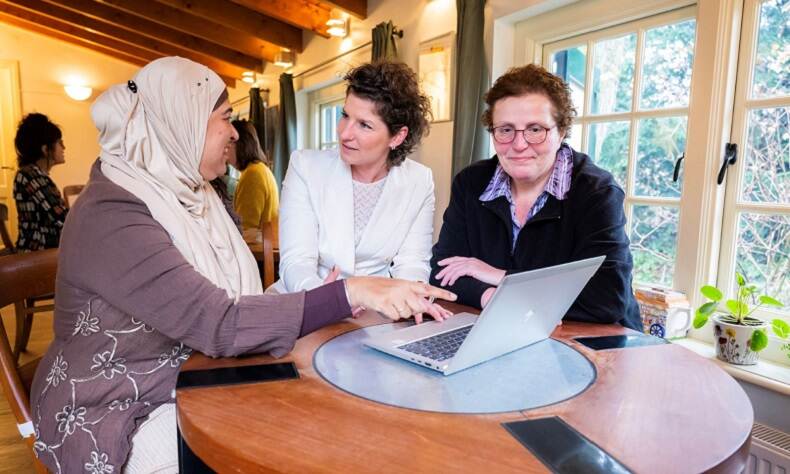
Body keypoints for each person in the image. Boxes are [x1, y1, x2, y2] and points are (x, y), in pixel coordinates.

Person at [29, 57, 455, 474]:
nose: (235, 133)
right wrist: (351, 291)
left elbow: (227, 311)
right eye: (225, 118)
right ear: (183, 122)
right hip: (120, 399)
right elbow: (218, 320)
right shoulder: (114, 211)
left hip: (200, 365)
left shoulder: (197, 192)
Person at [429, 63, 641, 330]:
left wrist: (498, 276)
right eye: (505, 129)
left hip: (597, 344)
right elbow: (442, 273)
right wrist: (493, 297)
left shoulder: (597, 193)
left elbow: (605, 298)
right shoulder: (471, 183)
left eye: (535, 129)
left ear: (561, 131)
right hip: (502, 330)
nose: (519, 144)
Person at [276, 61, 436, 294]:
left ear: (397, 136)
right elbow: (296, 262)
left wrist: (413, 297)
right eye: (345, 115)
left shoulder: (419, 181)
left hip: (379, 309)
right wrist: (325, 299)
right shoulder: (305, 167)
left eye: (364, 125)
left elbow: (412, 263)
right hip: (307, 298)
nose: (344, 133)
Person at [13, 113, 68, 251]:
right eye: (59, 142)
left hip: (47, 250)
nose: (64, 147)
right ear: (45, 149)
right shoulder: (29, 175)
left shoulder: (35, 175)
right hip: (37, 253)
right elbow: (61, 217)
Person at [226, 119, 279, 231]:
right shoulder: (260, 169)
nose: (225, 148)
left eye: (229, 142)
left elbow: (245, 229)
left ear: (240, 144)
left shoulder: (253, 174)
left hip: (255, 248)